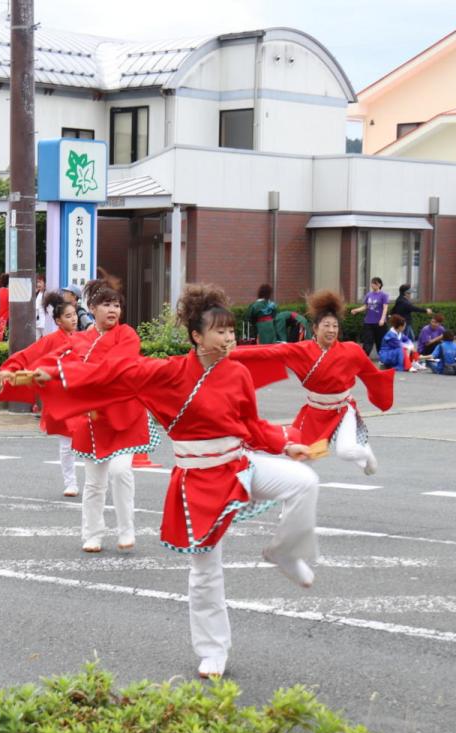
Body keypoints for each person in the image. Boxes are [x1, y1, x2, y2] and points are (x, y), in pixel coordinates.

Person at [34, 284, 318, 679]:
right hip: (198, 479)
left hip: (238, 465)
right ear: (197, 337)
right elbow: (112, 371)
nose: (229, 338)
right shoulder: (167, 373)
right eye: (220, 332)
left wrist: (287, 446)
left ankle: (285, 551)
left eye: (232, 331)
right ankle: (213, 651)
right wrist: (55, 373)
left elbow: (251, 426)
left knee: (303, 481)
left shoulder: (237, 373)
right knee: (205, 571)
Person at [33, 276, 160, 553]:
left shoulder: (128, 335)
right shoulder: (80, 340)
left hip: (125, 415)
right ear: (92, 308)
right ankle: (92, 533)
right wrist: (36, 373)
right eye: (106, 304)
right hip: (94, 419)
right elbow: (60, 363)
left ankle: (126, 529)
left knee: (121, 470)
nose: (113, 310)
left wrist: (73, 371)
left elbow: (112, 367)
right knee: (93, 481)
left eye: (116, 305)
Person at [230, 290, 393, 476]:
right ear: (315, 328)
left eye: (335, 326)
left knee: (346, 451)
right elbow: (267, 352)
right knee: (301, 461)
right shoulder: (302, 350)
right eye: (326, 325)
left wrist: (381, 396)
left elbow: (371, 374)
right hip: (314, 413)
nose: (331, 330)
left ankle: (367, 455)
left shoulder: (352, 350)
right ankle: (294, 497)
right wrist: (229, 353)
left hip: (343, 409)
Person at [0, 292, 81, 496]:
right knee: (66, 442)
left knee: (92, 439)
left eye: (74, 315)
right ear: (58, 321)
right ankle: (71, 482)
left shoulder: (84, 338)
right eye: (68, 316)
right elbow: (28, 355)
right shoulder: (50, 340)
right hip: (60, 397)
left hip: (82, 395)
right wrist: (11, 367)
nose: (74, 319)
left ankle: (98, 482)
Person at [349, 277, 389, 358]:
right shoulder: (369, 295)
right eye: (372, 283)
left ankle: (383, 358)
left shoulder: (384, 295)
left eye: (375, 283)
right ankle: (364, 357)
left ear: (379, 285)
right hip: (368, 322)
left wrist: (382, 319)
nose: (372, 285)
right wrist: (356, 310)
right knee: (367, 340)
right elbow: (365, 306)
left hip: (379, 323)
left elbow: (385, 308)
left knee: (380, 341)